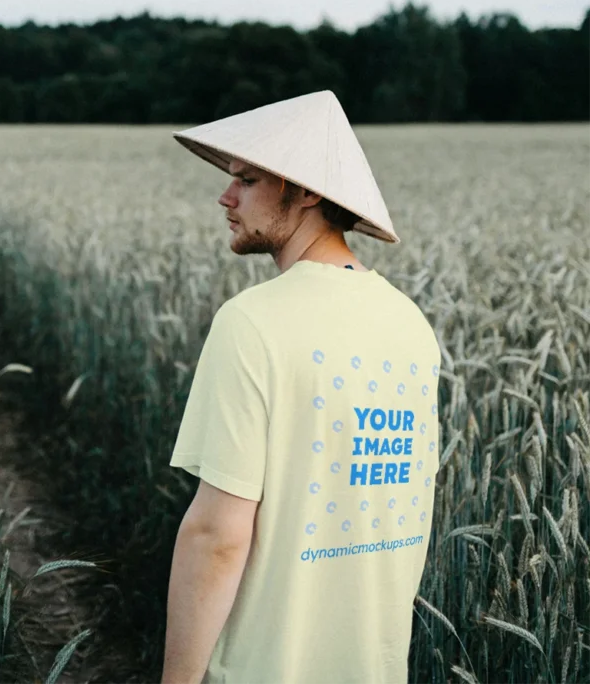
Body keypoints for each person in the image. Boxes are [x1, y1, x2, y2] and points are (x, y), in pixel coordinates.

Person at [161, 90, 441, 684]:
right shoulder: (411, 325)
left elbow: (217, 537)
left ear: (308, 190)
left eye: (247, 179)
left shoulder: (252, 321)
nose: (225, 195)